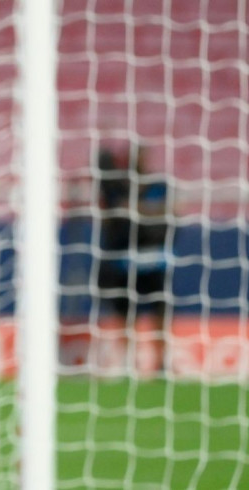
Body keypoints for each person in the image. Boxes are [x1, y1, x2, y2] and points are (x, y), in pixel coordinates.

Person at [95, 145, 168, 373]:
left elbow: (170, 211)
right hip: (124, 262)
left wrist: (136, 209)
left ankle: (161, 364)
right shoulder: (116, 187)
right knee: (126, 315)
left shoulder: (158, 186)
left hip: (154, 261)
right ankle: (128, 364)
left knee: (159, 315)